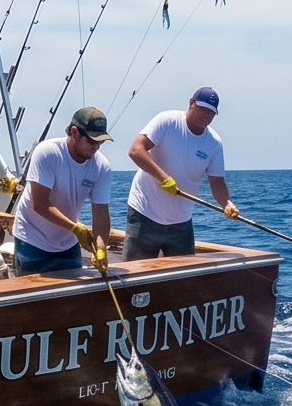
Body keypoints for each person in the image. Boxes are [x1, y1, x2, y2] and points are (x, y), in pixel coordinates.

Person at [125, 85, 238, 260]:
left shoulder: (214, 143)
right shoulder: (167, 121)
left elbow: (217, 182)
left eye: (211, 112)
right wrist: (163, 178)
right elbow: (135, 150)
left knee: (185, 281)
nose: (206, 115)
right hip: (144, 212)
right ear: (191, 103)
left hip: (181, 221)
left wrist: (227, 204)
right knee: (135, 275)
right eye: (202, 109)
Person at [12, 105, 116, 275]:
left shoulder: (102, 167)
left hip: (68, 243)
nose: (96, 147)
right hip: (32, 240)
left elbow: (101, 215)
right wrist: (75, 228)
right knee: (35, 300)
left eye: (101, 142)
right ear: (74, 132)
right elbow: (40, 204)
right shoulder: (47, 153)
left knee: (71, 300)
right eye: (91, 140)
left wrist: (101, 248)